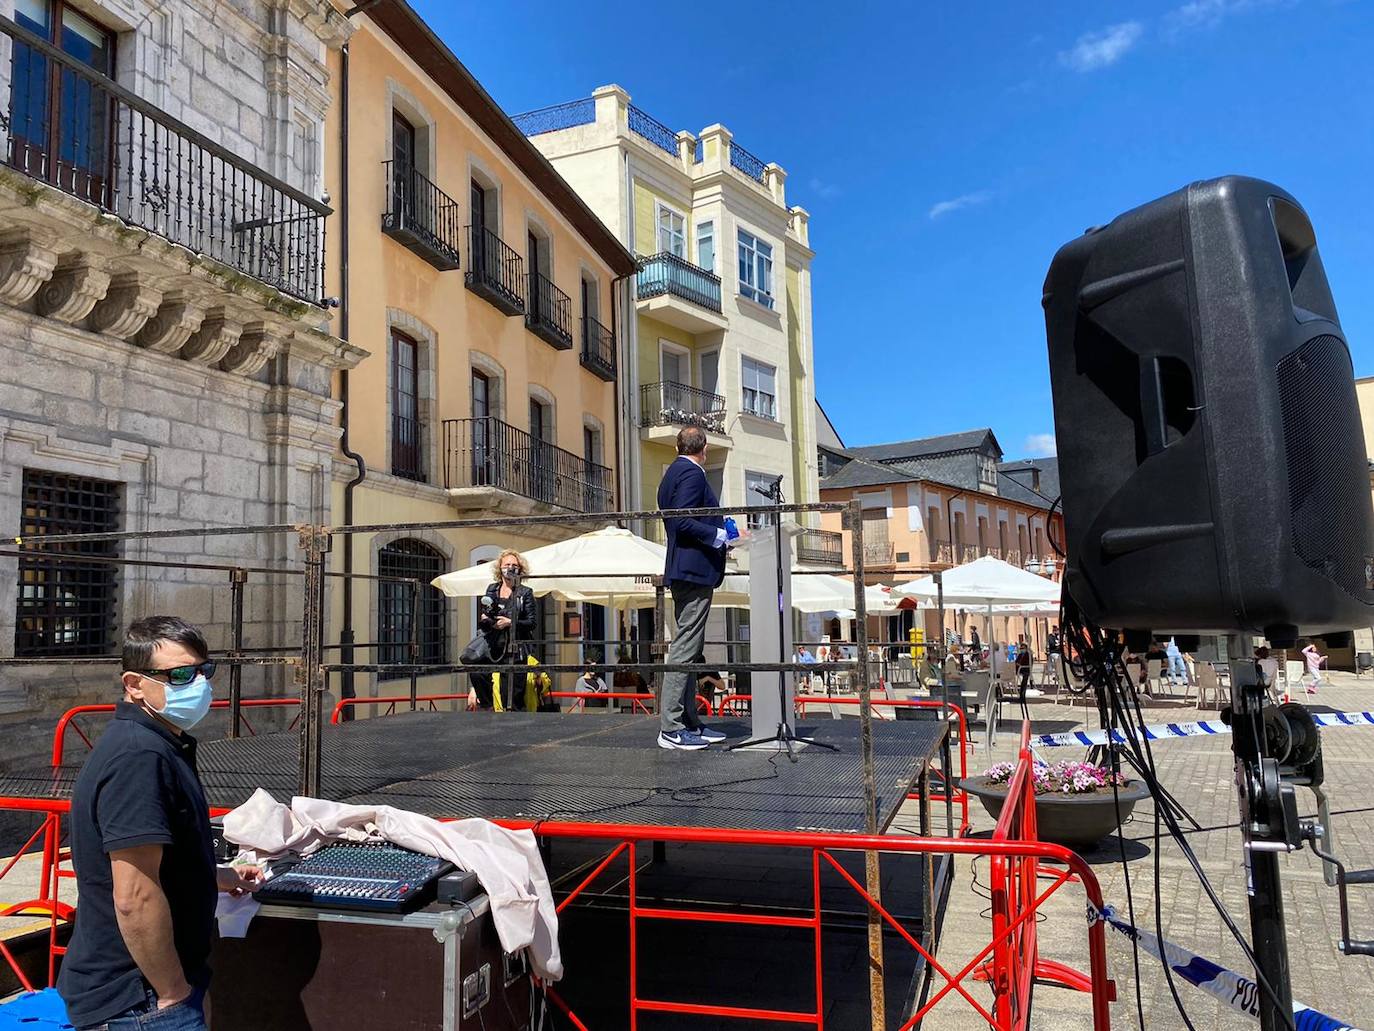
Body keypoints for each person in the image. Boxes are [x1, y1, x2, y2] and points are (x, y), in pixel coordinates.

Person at [58, 616, 262, 1031]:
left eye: (204, 671)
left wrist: (217, 875)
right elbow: (134, 896)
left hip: (147, 993)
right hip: (139, 999)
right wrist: (172, 993)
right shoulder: (139, 757)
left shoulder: (156, 744)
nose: (199, 684)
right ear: (134, 684)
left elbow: (160, 858)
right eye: (180, 675)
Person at [656, 425, 740, 749]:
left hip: (684, 569)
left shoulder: (671, 474)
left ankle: (690, 722)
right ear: (703, 449)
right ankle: (672, 727)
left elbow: (677, 519)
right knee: (684, 647)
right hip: (693, 571)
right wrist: (720, 537)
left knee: (689, 649)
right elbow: (682, 520)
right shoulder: (692, 474)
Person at [471, 549, 537, 710]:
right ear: (499, 568)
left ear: (520, 569)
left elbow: (532, 622)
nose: (510, 568)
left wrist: (510, 622)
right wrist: (487, 620)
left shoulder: (525, 593)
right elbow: (486, 615)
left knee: (512, 696)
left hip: (515, 649)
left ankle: (513, 729)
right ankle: (488, 707)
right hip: (494, 645)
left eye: (514, 565)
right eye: (507, 564)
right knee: (477, 672)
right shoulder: (492, 589)